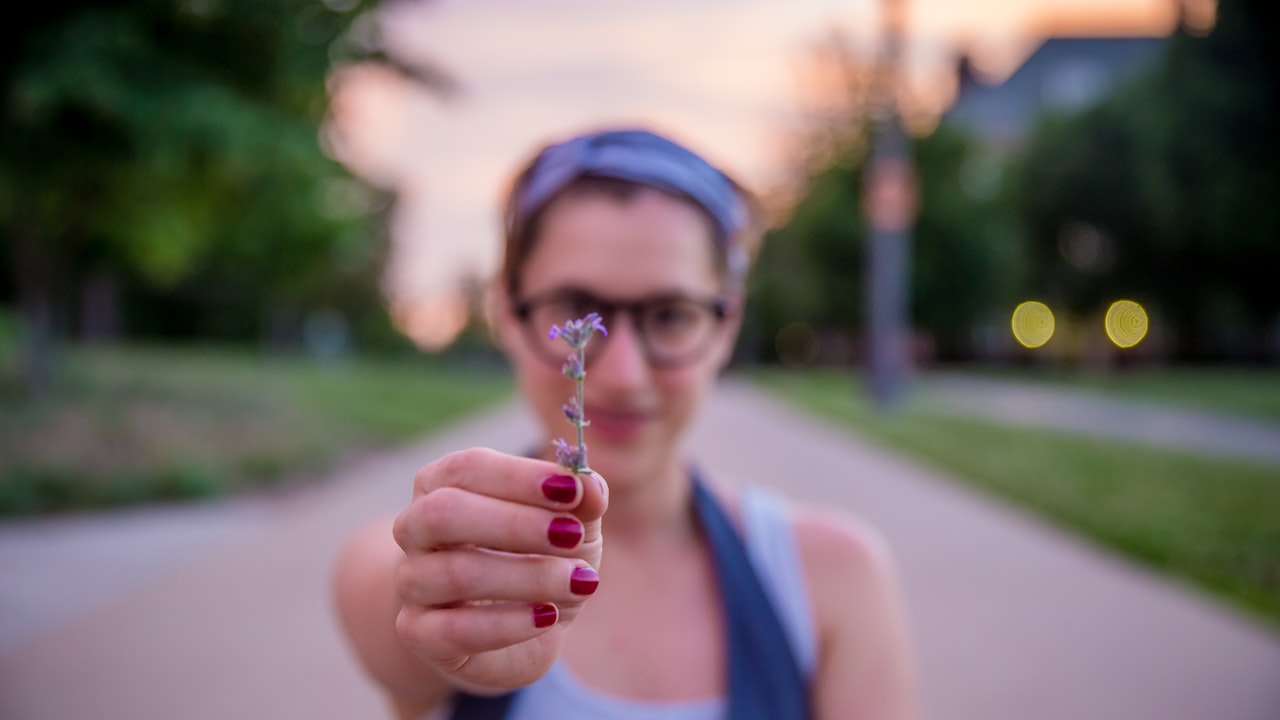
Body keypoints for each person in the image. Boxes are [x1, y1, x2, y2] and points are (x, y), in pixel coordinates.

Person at [333, 127, 919, 719]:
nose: (621, 376)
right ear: (507, 310)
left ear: (726, 325)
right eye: (572, 310)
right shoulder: (407, 555)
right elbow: (390, 614)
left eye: (669, 316)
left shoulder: (833, 577)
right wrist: (439, 611)